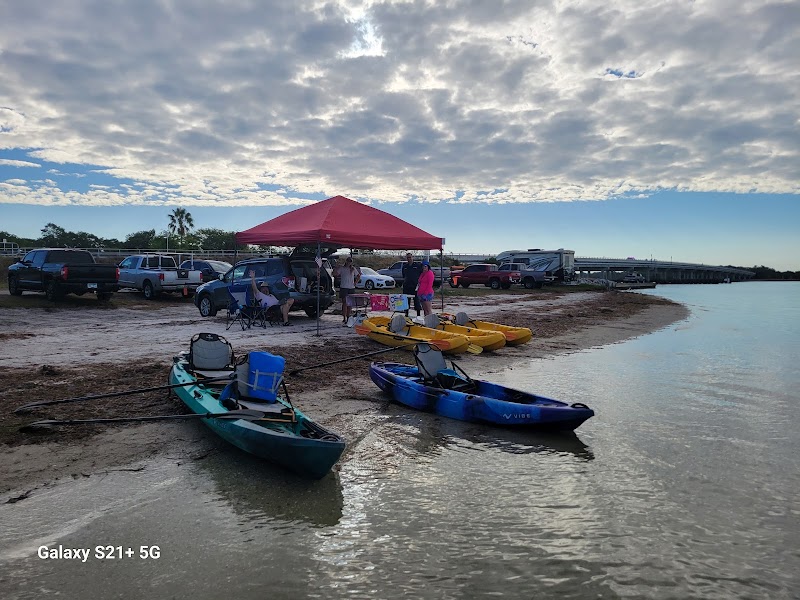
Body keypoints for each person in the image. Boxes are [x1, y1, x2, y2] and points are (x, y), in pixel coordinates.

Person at [333, 256, 362, 325]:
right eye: (348, 261)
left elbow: (358, 275)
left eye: (350, 261)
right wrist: (336, 268)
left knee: (350, 304)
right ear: (346, 261)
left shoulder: (353, 269)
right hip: (344, 287)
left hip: (351, 287)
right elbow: (335, 274)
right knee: (344, 302)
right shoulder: (342, 268)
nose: (349, 263)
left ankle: (348, 316)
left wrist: (355, 283)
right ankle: (344, 317)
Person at [401, 252, 423, 317]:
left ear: (412, 258)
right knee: (406, 301)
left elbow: (421, 274)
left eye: (410, 257)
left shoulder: (417, 265)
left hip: (415, 286)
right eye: (407, 258)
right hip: (407, 286)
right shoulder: (405, 266)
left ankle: (418, 315)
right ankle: (406, 315)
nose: (409, 259)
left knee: (416, 301)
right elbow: (403, 276)